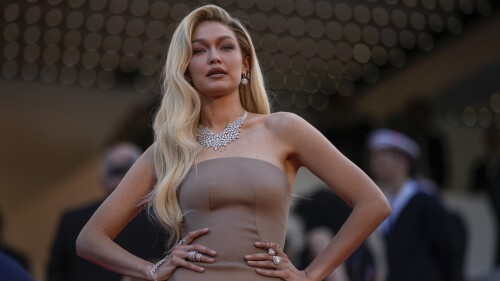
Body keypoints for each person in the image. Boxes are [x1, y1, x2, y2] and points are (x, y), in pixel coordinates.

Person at [76, 5, 391, 281]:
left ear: (245, 64)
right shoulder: (169, 148)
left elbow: (373, 203)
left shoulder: (285, 128)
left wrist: (311, 274)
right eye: (199, 51)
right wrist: (152, 270)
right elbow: (89, 238)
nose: (213, 57)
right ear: (187, 71)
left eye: (225, 47)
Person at [46, 143, 165, 281]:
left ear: (101, 178)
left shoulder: (72, 219)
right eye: (115, 171)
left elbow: (55, 274)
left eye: (124, 170)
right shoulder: (162, 215)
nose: (120, 178)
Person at [368, 128, 466, 281]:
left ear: (403, 159)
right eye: (374, 156)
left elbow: (447, 246)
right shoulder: (386, 201)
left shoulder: (424, 199)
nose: (376, 162)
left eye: (383, 156)